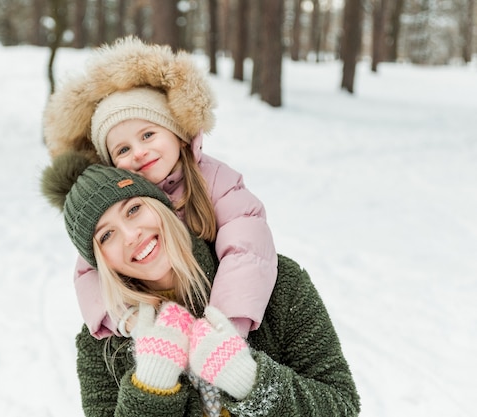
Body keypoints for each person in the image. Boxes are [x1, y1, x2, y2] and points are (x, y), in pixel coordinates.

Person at [40, 151, 360, 417]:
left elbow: (343, 408)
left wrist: (250, 382)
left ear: (163, 207)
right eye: (106, 235)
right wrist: (151, 387)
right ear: (100, 261)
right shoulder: (103, 345)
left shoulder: (278, 284)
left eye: (134, 210)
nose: (130, 235)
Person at [42, 36, 277, 340]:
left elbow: (247, 247)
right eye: (123, 150)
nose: (138, 152)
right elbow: (89, 274)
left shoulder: (217, 181)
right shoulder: (116, 203)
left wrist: (226, 325)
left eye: (148, 134)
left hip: (216, 310)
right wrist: (129, 320)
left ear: (178, 134)